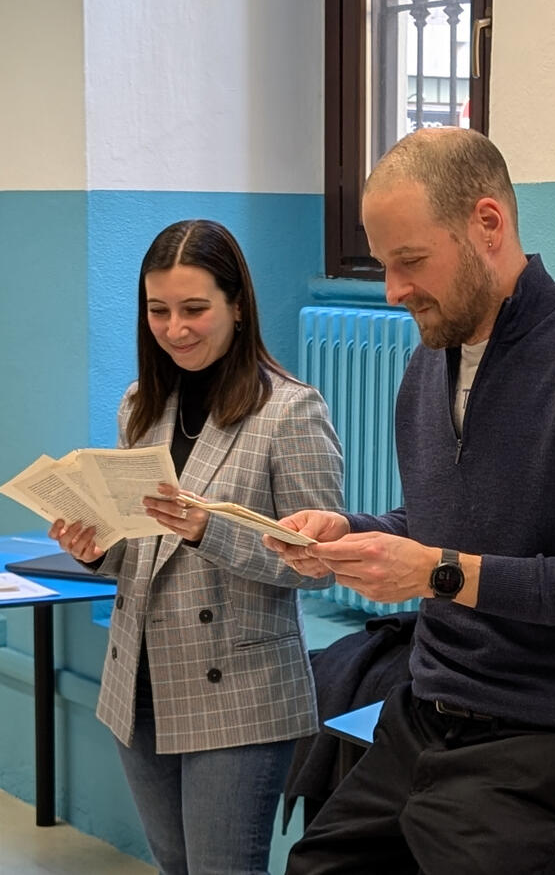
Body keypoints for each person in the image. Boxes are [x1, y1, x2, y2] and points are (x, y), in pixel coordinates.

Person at [263, 128, 555, 875]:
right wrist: (350, 533)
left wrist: (435, 571)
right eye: (384, 265)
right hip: (425, 715)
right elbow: (437, 527)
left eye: (410, 261)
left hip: (553, 739)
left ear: (487, 223)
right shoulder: (429, 364)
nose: (394, 291)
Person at [48, 219, 344, 875]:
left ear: (237, 306)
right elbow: (139, 547)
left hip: (239, 688)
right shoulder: (140, 405)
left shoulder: (291, 412)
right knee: (175, 866)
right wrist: (93, 548)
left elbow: (318, 565)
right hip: (139, 678)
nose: (175, 328)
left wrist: (209, 530)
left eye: (193, 309)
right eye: (158, 310)